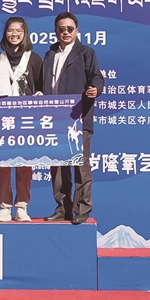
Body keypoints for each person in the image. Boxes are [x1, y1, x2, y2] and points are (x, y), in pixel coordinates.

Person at [0, 17, 43, 222]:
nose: (14, 34)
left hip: (26, 117)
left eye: (18, 31)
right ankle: (4, 207)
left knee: (25, 163)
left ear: (25, 33)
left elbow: (42, 85)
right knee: (2, 163)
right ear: (5, 33)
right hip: (2, 118)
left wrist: (40, 93)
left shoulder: (34, 59)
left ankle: (22, 206)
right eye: (10, 31)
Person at [42, 12, 103, 224]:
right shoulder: (50, 54)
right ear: (55, 31)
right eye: (61, 29)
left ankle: (82, 209)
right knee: (57, 166)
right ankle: (63, 208)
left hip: (77, 117)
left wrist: (95, 88)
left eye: (70, 29)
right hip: (53, 118)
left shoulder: (86, 53)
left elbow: (96, 77)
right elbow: (44, 83)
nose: (66, 32)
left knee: (80, 165)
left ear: (77, 31)